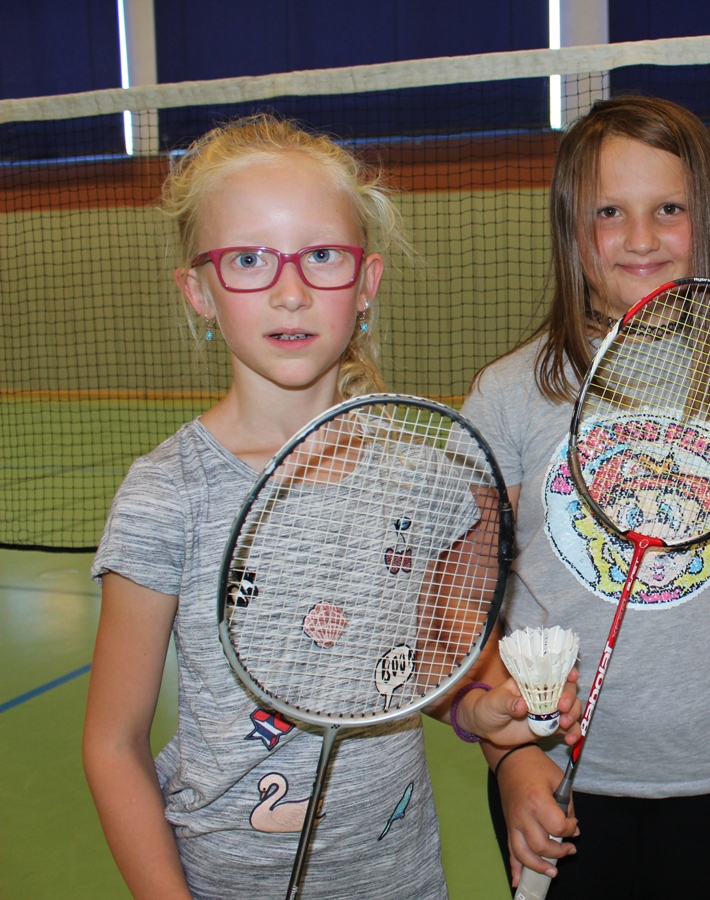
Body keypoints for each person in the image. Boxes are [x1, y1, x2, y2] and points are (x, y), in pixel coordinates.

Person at [82, 114, 564, 900]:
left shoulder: (423, 478)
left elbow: (420, 669)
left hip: (401, 880)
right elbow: (113, 743)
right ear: (199, 292)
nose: (291, 291)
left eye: (322, 255)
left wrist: (481, 713)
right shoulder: (166, 496)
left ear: (366, 282)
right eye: (248, 259)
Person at [460, 95, 710, 899]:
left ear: (708, 220)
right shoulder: (509, 394)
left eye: (669, 208)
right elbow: (464, 607)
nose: (641, 237)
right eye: (609, 212)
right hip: (552, 770)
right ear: (571, 229)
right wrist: (513, 759)